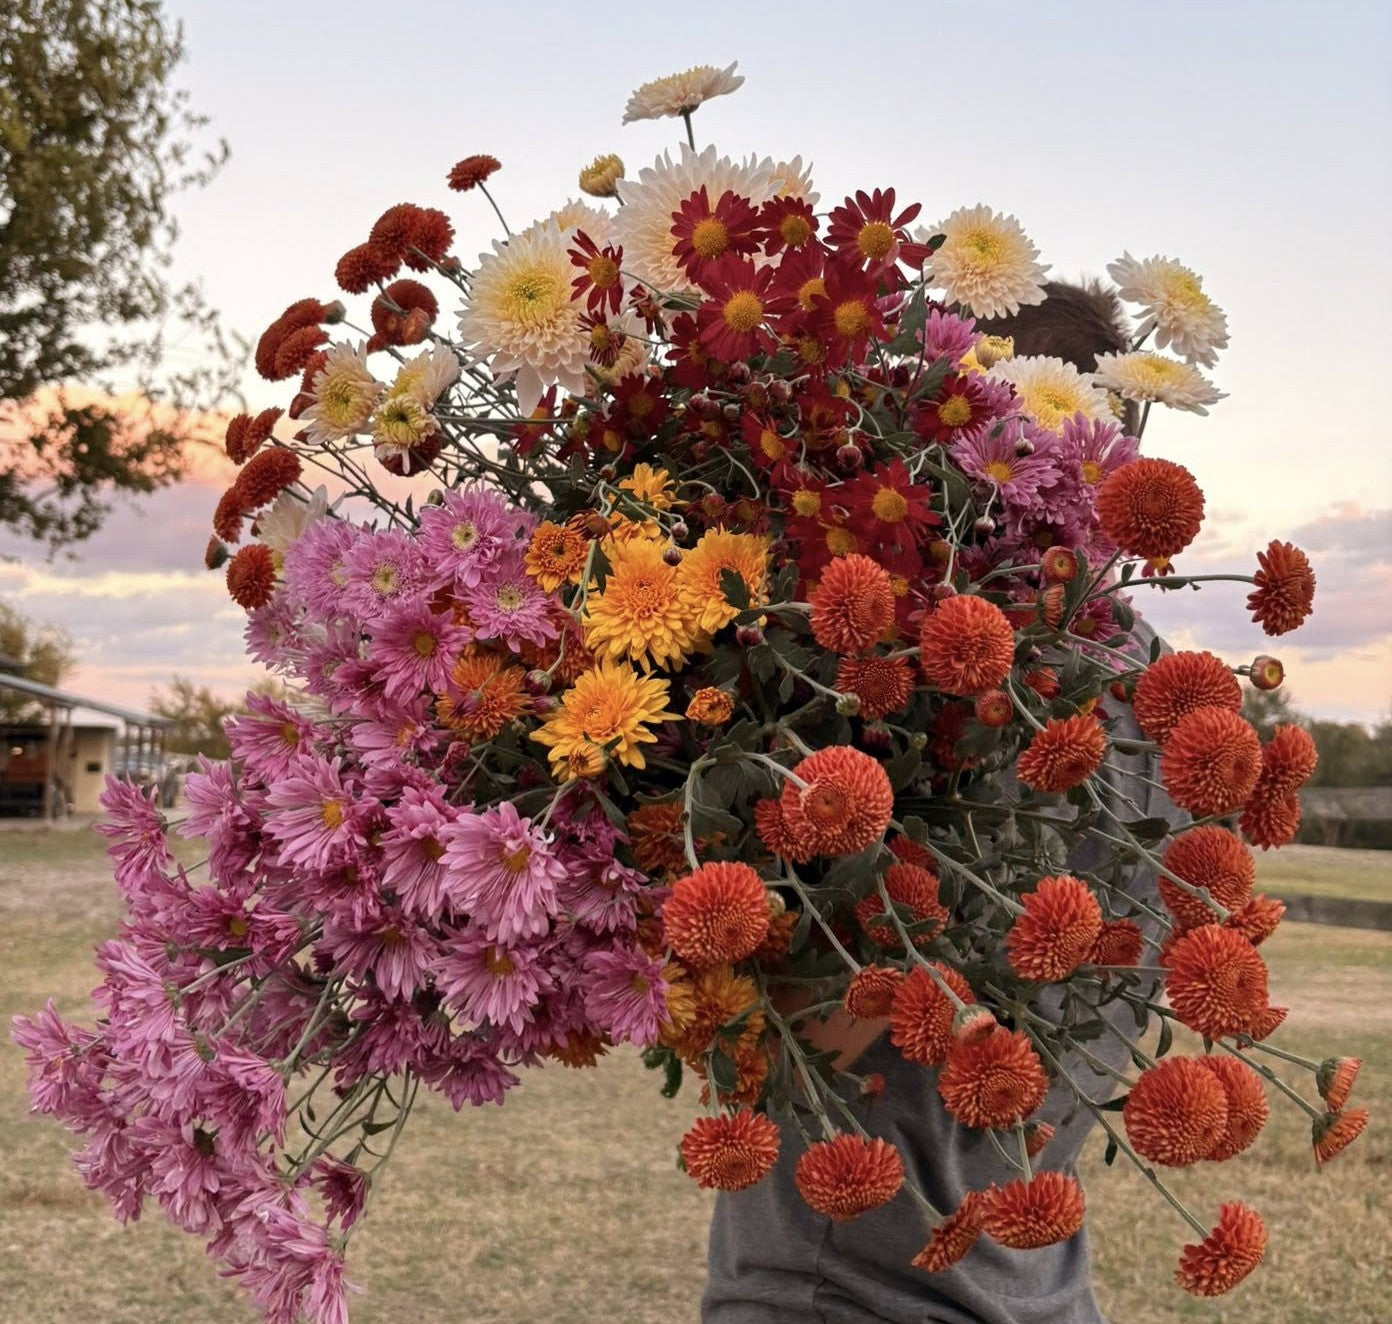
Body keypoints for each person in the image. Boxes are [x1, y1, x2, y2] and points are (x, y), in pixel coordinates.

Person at [703, 287, 1172, 1323]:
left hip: (842, 1282)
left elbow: (804, 1038)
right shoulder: (1171, 695)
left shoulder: (947, 668)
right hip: (1042, 1286)